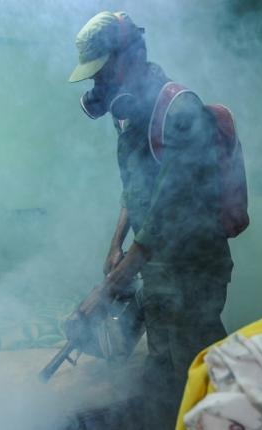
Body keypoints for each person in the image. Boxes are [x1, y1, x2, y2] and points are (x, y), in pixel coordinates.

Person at [69, 11, 236, 430]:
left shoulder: (180, 108)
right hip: (159, 266)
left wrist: (110, 286)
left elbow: (169, 202)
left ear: (128, 58)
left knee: (199, 366)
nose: (96, 86)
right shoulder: (129, 114)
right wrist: (114, 244)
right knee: (161, 363)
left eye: (100, 73)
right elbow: (138, 189)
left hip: (193, 266)